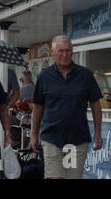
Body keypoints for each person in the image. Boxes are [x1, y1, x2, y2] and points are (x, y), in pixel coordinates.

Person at [29, 35, 103, 179]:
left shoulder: (85, 74)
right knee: (55, 176)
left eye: (68, 51)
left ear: (73, 52)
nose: (65, 55)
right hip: (52, 138)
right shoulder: (44, 76)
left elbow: (95, 104)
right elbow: (38, 108)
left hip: (77, 139)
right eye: (61, 51)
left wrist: (98, 132)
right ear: (52, 52)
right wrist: (33, 135)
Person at [10, 70, 35, 147]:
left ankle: (17, 140)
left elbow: (15, 103)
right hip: (35, 118)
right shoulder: (36, 87)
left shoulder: (23, 89)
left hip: (25, 118)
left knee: (8, 119)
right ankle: (22, 139)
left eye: (20, 80)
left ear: (22, 80)